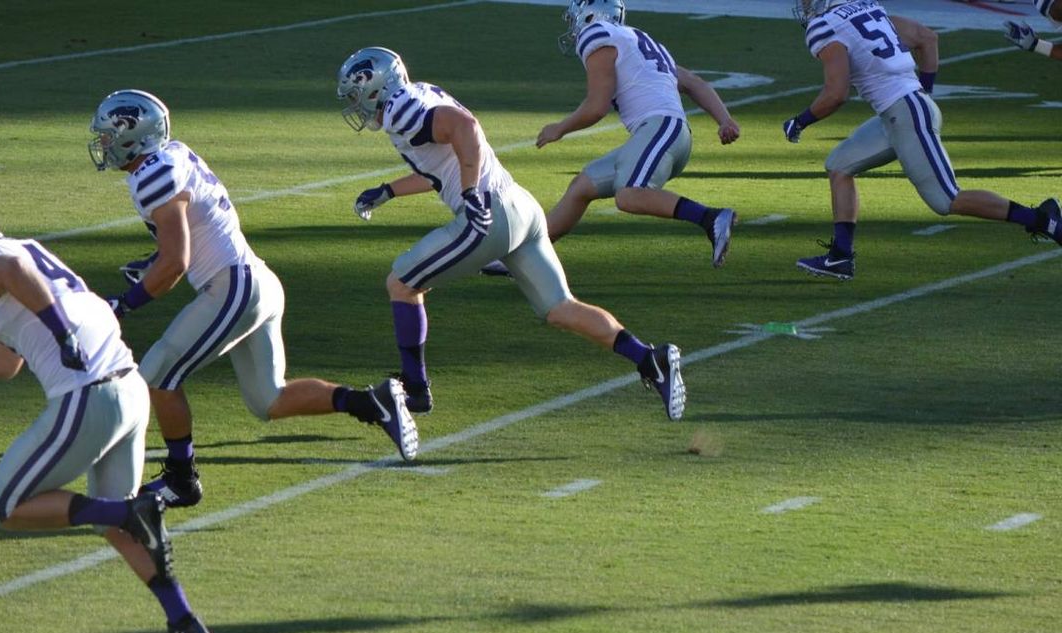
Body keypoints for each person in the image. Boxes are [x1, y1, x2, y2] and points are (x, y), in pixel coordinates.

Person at [0, 197, 212, 633]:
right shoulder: (15, 257)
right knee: (115, 522)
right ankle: (185, 624)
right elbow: (3, 363)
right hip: (129, 390)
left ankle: (132, 511)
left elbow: (15, 269)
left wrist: (62, 334)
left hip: (90, 394)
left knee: (4, 506)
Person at [88, 90, 418, 506]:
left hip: (233, 288)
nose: (102, 145)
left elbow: (176, 261)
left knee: (157, 375)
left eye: (107, 135)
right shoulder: (171, 156)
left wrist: (126, 303)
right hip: (254, 282)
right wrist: (155, 261)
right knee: (269, 400)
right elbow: (191, 233)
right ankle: (371, 402)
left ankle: (181, 479)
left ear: (131, 136)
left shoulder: (153, 174)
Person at [336, 47, 686, 421]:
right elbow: (442, 165)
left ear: (378, 88)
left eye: (356, 96)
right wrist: (389, 190)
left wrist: (471, 194)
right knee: (560, 308)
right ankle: (650, 358)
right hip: (521, 208)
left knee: (401, 282)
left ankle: (415, 388)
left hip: (490, 214)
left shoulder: (398, 110)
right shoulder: (419, 94)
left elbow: (464, 129)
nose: (355, 106)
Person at [784, 0, 1061, 280]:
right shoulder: (870, 9)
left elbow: (836, 93)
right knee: (839, 165)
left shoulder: (825, 25)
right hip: (902, 112)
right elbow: (927, 39)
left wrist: (801, 120)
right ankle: (840, 257)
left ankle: (1042, 219)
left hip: (905, 114)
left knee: (946, 199)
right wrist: (925, 93)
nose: (806, 5)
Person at [533, 0, 740, 269]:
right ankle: (528, 257)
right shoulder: (635, 39)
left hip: (659, 128)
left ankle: (710, 217)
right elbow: (692, 82)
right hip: (669, 134)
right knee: (581, 187)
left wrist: (559, 128)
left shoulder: (596, 35)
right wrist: (724, 119)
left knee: (629, 195)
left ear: (592, 14)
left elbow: (597, 107)